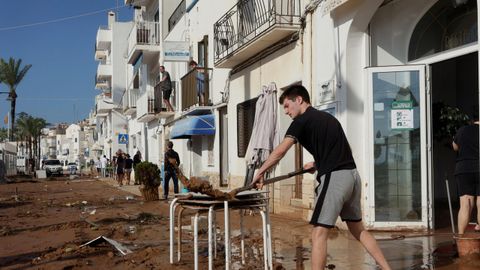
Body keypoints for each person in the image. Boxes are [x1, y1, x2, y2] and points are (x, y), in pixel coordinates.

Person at [251, 85, 391, 270]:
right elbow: (343, 150)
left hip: (335, 178)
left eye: (286, 106)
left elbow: (280, 151)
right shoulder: (329, 119)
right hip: (352, 176)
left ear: (299, 100)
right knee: (358, 229)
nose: (286, 111)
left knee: (318, 232)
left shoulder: (301, 121)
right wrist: (318, 164)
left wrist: (260, 171)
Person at [452, 112, 480, 235]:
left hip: (464, 168)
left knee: (465, 204)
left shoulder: (462, 130)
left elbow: (455, 147)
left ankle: (461, 238)